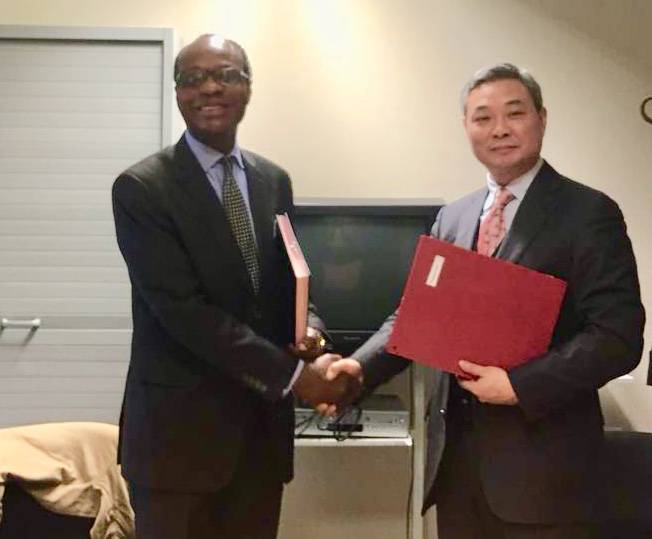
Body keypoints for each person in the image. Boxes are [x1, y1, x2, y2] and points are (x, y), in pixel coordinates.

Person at [326, 63, 645, 538]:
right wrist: (357, 368)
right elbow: (415, 317)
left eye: (514, 113)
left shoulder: (588, 213)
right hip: (458, 471)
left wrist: (520, 385)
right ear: (466, 127)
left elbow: (618, 337)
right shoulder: (453, 217)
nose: (499, 129)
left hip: (545, 478)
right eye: (483, 117)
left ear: (541, 118)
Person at [112, 34, 360, 539]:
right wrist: (298, 378)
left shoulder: (273, 180)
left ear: (248, 88)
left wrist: (311, 334)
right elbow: (185, 313)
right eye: (193, 78)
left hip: (259, 440)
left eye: (226, 75)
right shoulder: (142, 188)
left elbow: (290, 280)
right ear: (177, 92)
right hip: (177, 444)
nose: (210, 88)